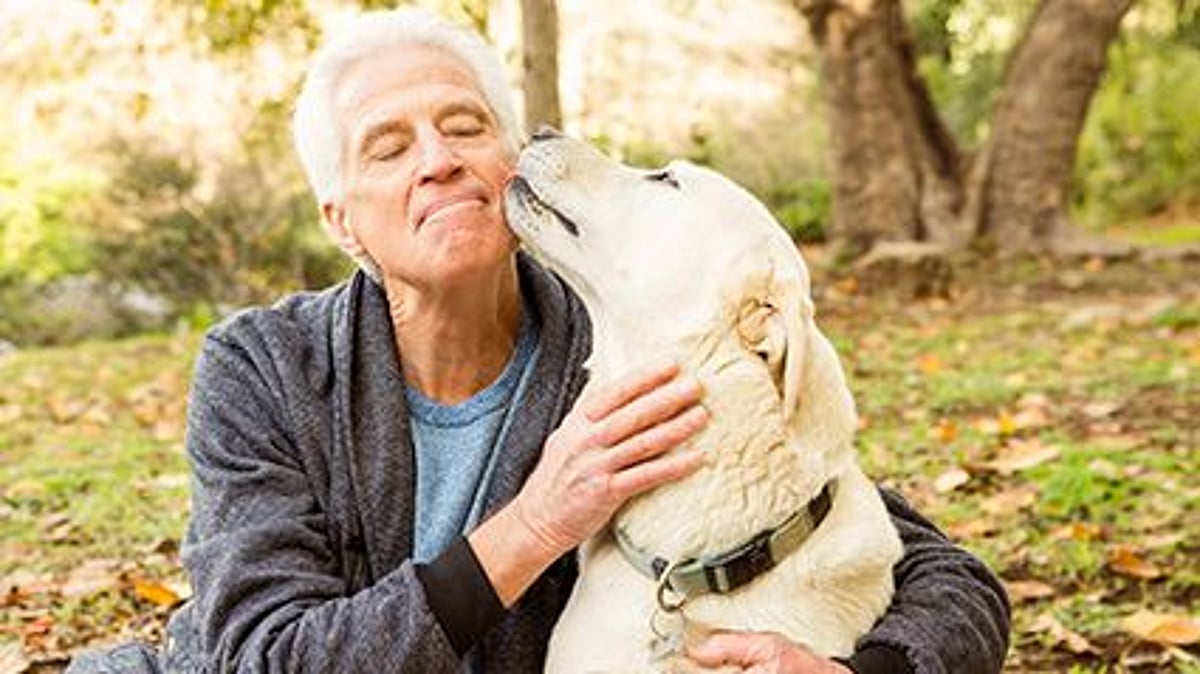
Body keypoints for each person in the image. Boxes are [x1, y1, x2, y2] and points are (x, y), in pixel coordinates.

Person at [69, 7, 1009, 674]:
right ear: (343, 220)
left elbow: (942, 573)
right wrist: (538, 522)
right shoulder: (264, 370)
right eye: (389, 148)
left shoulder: (628, 345)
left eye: (465, 125)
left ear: (511, 164)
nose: (439, 159)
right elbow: (262, 659)